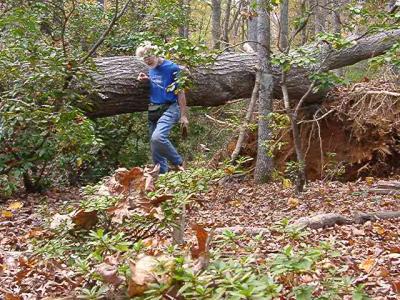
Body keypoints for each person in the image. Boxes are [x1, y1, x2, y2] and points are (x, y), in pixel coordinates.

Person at [136, 42, 189, 174]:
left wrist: (183, 115)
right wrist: (147, 80)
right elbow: (159, 82)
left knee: (158, 138)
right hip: (153, 110)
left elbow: (181, 92)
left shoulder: (172, 67)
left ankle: (179, 162)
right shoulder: (151, 67)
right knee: (155, 149)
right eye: (145, 60)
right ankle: (162, 178)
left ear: (156, 54)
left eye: (149, 58)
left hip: (170, 108)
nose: (147, 62)